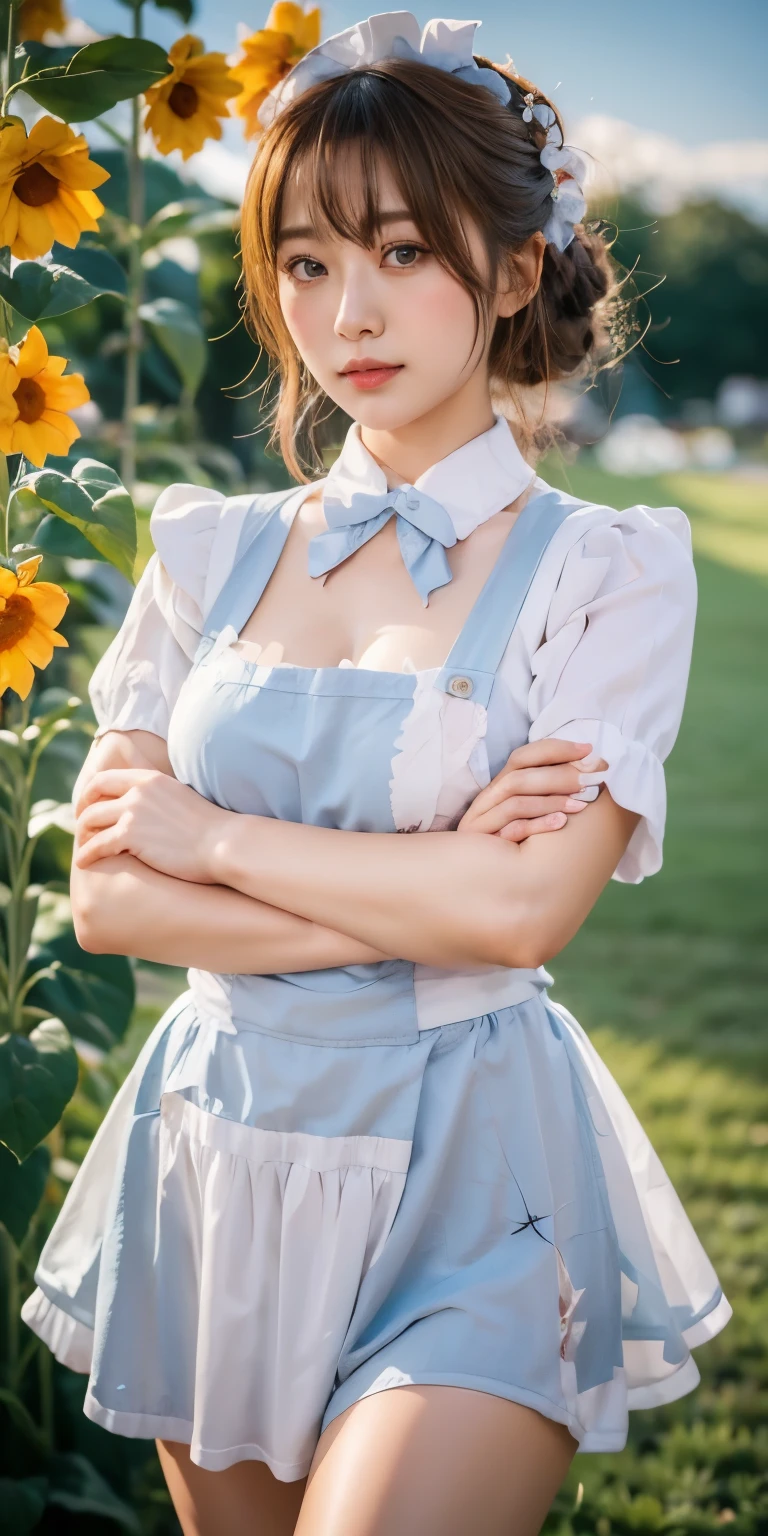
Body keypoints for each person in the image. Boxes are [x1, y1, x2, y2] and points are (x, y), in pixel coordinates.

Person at [21, 14, 730, 1535]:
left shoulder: (606, 572)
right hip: (221, 1152)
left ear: (515, 270)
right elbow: (104, 902)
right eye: (306, 263)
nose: (353, 312)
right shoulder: (209, 548)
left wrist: (204, 833)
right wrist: (430, 897)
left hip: (475, 1174)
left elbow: (527, 917)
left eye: (404, 253)